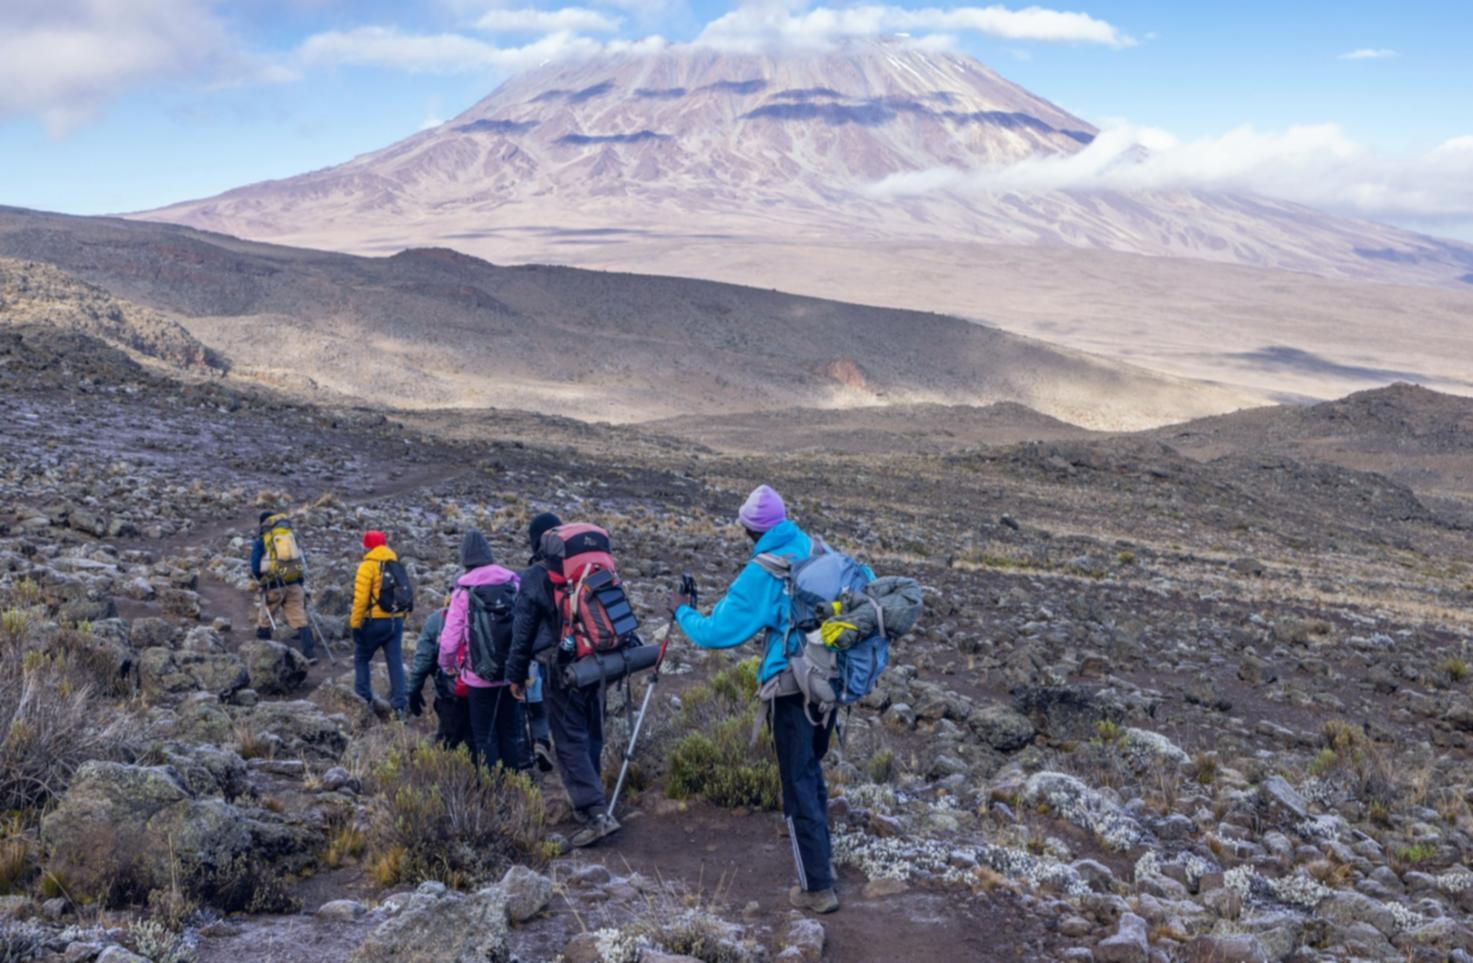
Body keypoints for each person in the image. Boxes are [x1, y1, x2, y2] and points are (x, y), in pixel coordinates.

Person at [668, 485, 841, 914]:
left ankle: (817, 889)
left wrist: (681, 612)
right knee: (810, 772)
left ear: (751, 529)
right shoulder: (816, 549)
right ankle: (824, 867)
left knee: (796, 782)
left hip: (789, 688)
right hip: (829, 681)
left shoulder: (763, 571)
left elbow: (716, 633)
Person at [511, 512, 617, 848]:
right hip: (601, 660)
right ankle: (594, 790)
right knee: (592, 728)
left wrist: (516, 674)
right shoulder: (588, 568)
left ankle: (594, 811)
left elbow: (522, 632)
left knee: (569, 738)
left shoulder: (536, 576)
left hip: (563, 668)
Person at [438, 531, 527, 772]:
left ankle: (491, 792)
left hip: (478, 676)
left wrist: (447, 666)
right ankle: (514, 788)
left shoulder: (463, 592)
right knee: (510, 733)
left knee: (484, 736)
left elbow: (449, 641)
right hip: (512, 673)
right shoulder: (513, 584)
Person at [350, 530, 408, 718]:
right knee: (395, 662)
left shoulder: (368, 566)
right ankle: (400, 707)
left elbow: (360, 600)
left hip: (375, 621)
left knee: (361, 657)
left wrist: (355, 624)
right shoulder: (395, 562)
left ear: (368, 545)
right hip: (395, 620)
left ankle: (363, 700)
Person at [406, 591, 470, 750]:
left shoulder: (438, 619)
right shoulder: (491, 613)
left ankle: (449, 770)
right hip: (487, 689)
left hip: (451, 693)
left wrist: (414, 691)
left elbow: (423, 661)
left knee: (449, 742)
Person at [250, 511, 316, 663]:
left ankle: (264, 655)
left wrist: (262, 580)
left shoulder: (263, 540)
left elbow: (255, 566)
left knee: (265, 618)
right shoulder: (290, 537)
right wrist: (299, 581)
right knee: (299, 618)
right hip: (294, 583)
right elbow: (300, 560)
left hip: (274, 585)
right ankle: (310, 653)